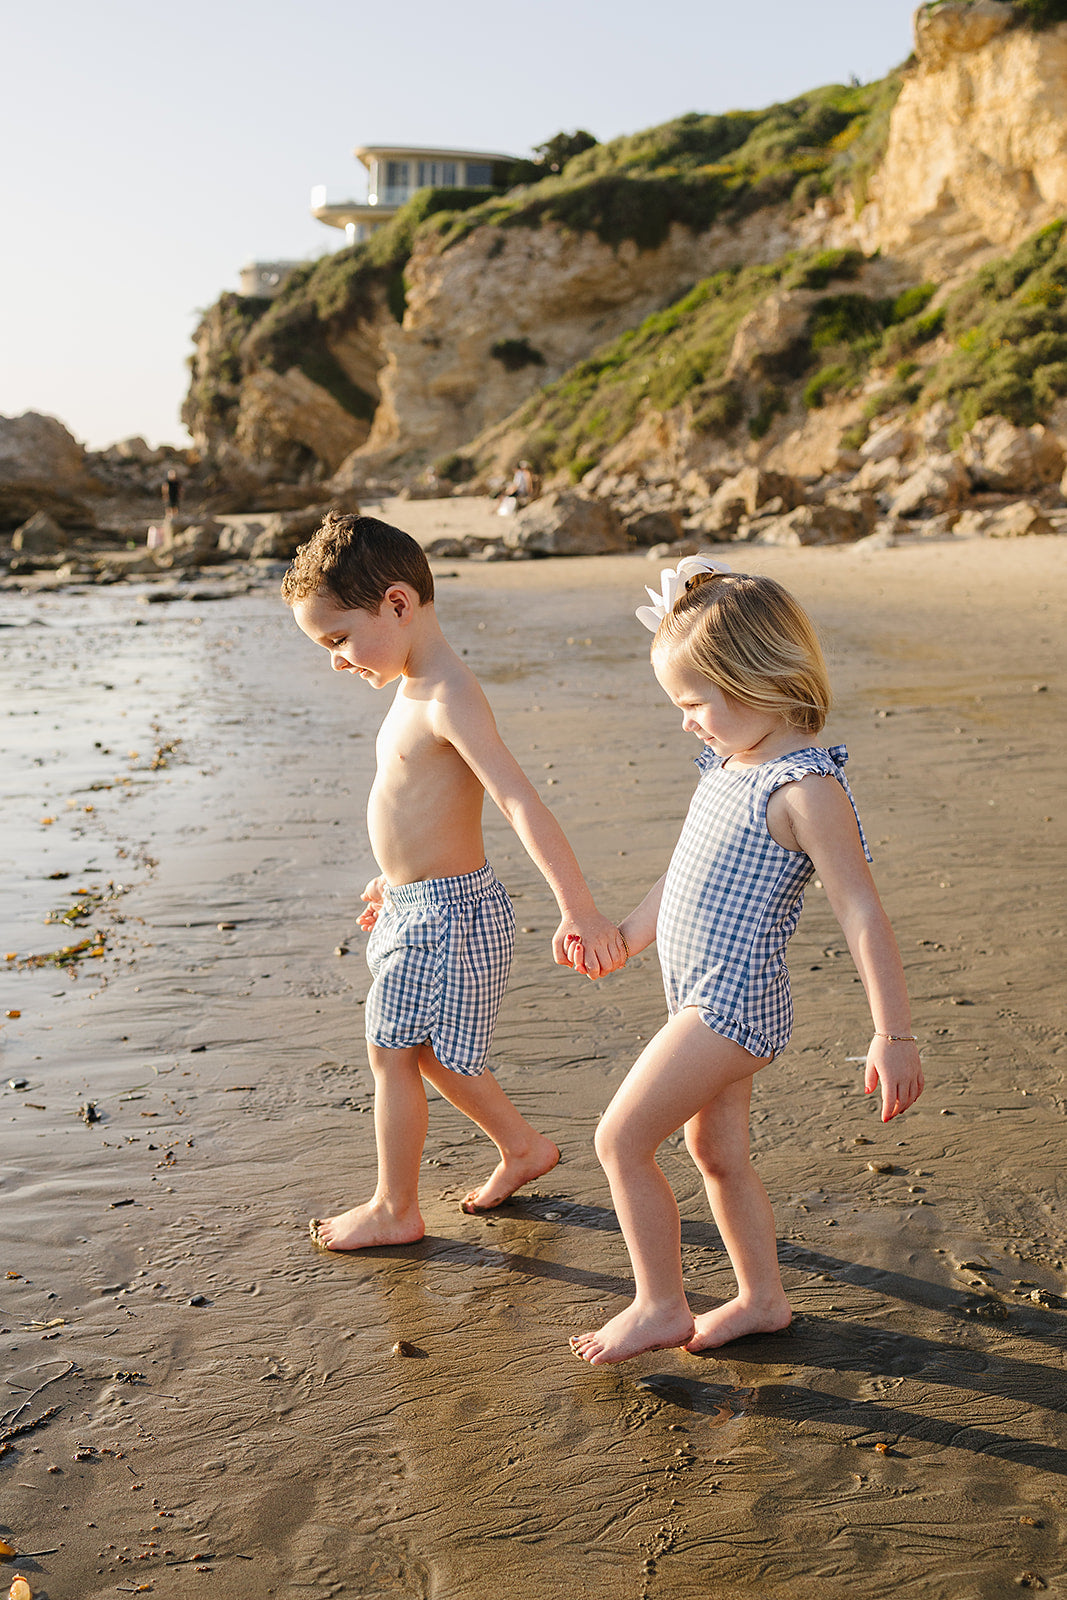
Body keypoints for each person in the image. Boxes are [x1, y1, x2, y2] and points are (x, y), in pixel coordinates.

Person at [568, 558, 924, 1365]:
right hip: (695, 993)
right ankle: (761, 1297)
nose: (685, 722)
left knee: (619, 1140)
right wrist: (626, 935)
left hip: (729, 1007)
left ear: (761, 680)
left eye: (694, 703)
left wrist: (891, 1033)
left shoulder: (805, 789)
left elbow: (861, 911)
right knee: (716, 1154)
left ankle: (659, 1302)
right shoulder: (730, 766)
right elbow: (685, 869)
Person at [280, 513, 626, 1251]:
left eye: (338, 639)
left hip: (450, 914)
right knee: (428, 1053)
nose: (336, 662)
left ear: (397, 605)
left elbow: (517, 800)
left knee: (391, 1050)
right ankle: (523, 1148)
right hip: (417, 906)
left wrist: (580, 910)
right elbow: (424, 810)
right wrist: (393, 879)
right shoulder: (411, 686)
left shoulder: (446, 695)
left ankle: (394, 1207)